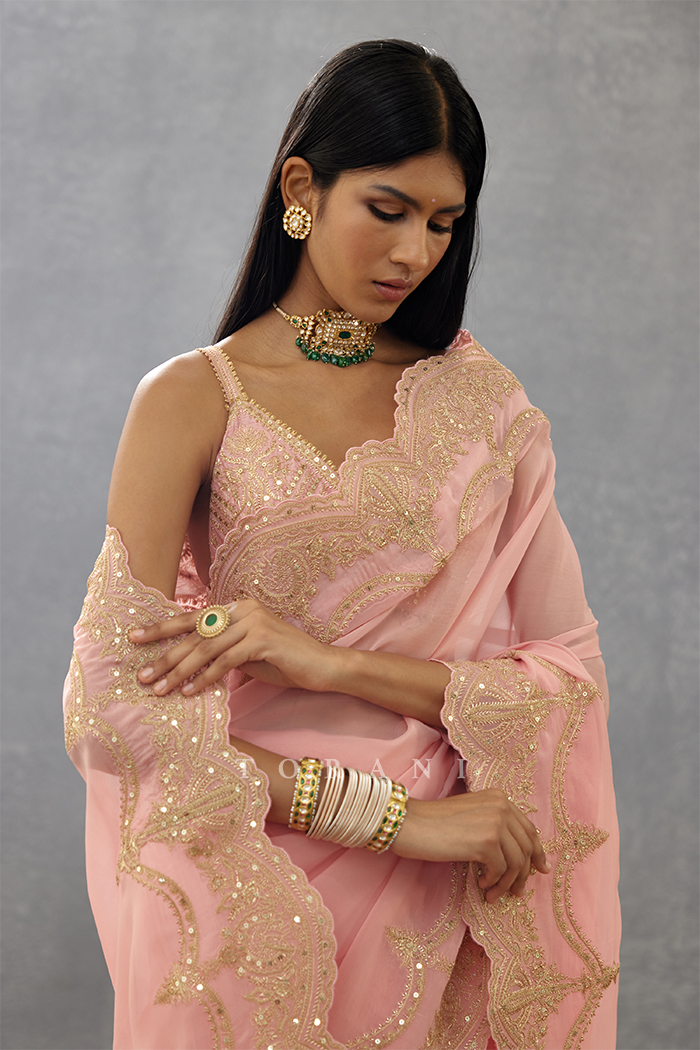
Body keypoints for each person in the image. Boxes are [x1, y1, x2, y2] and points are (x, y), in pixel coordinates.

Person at [64, 39, 620, 1050]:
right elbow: (110, 704)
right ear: (301, 190)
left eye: (443, 223)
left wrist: (329, 662)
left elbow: (566, 673)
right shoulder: (193, 398)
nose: (415, 254)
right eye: (388, 209)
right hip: (253, 877)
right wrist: (392, 816)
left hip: (453, 897)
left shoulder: (486, 411)